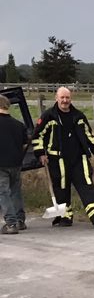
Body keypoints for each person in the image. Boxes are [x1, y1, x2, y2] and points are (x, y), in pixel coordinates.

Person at [33, 86, 94, 227]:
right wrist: (40, 154)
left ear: (71, 99)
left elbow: (89, 136)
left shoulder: (79, 116)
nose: (65, 100)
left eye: (67, 97)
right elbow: (37, 136)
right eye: (62, 97)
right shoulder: (48, 116)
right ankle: (65, 217)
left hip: (79, 159)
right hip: (57, 160)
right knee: (61, 188)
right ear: (56, 98)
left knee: (86, 186)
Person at [0, 96, 30, 234]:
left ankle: (11, 224)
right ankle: (20, 220)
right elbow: (25, 144)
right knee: (16, 192)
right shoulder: (19, 125)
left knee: (3, 193)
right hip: (16, 164)